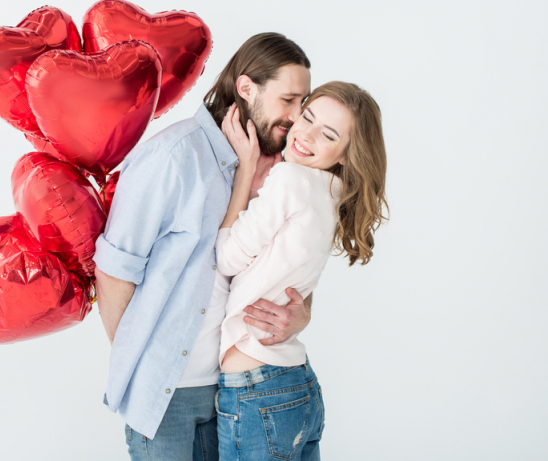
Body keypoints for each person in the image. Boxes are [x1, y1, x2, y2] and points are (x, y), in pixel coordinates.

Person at [93, 32, 314, 460]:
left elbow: (293, 268)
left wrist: (301, 313)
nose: (296, 117)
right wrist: (143, 362)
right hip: (169, 398)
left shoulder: (279, 170)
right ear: (246, 89)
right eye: (288, 100)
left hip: (243, 393)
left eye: (303, 103)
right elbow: (115, 269)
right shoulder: (173, 157)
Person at [214, 82, 388, 460]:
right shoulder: (333, 190)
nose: (305, 134)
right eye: (307, 117)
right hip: (295, 385)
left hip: (256, 389)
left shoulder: (290, 180)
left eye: (327, 134)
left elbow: (226, 258)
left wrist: (247, 168)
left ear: (346, 154)